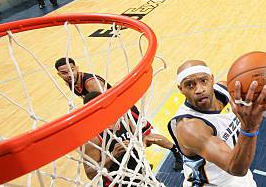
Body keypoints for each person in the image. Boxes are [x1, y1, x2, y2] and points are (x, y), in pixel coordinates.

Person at [54, 57, 184, 171]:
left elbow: (107, 104)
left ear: (76, 67)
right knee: (124, 142)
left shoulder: (91, 83)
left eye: (72, 69)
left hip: (123, 110)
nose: (70, 74)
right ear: (59, 74)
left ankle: (177, 151)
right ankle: (140, 164)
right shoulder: (70, 82)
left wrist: (123, 121)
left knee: (146, 136)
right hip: (110, 115)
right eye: (65, 73)